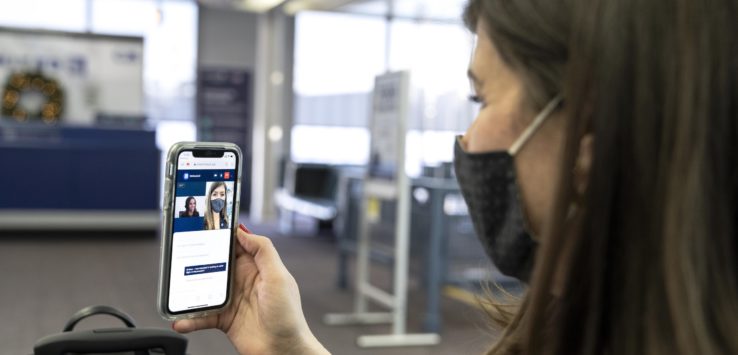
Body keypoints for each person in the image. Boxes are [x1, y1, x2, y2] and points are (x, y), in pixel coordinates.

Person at [174, 0, 738, 354]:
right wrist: (287, 347)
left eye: (482, 97)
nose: (468, 139)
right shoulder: (576, 321)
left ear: (588, 133)